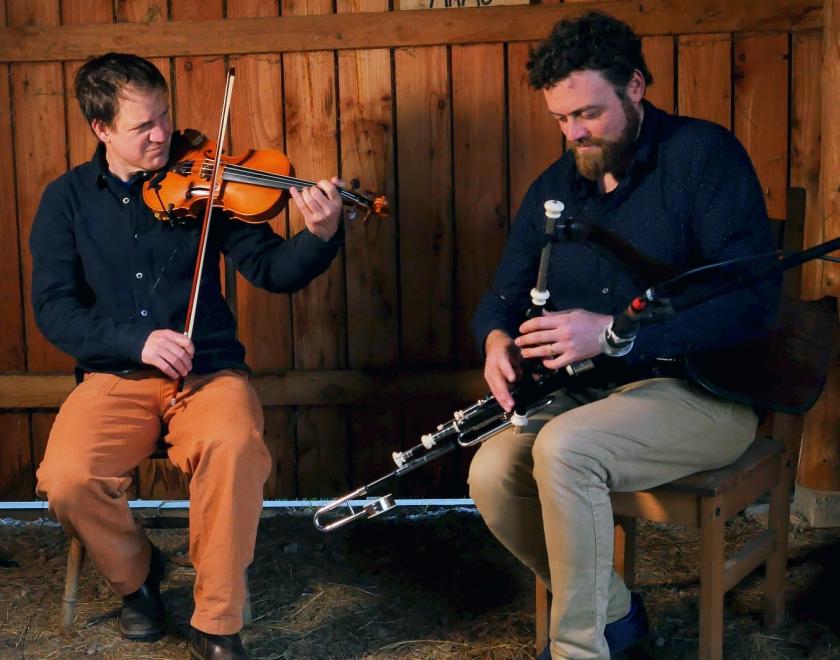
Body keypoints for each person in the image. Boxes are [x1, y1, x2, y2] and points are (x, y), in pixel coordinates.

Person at [468, 12, 779, 660]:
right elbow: (503, 292)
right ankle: (616, 614)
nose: (574, 133)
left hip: (704, 391)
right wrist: (496, 342)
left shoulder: (703, 155)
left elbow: (752, 302)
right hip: (592, 398)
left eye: (587, 114)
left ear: (635, 86)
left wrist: (614, 334)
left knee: (564, 450)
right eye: (560, 119)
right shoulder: (558, 184)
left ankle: (580, 650)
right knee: (493, 471)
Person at [31, 53, 345, 660]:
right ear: (101, 130)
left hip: (208, 374)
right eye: (142, 126)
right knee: (67, 478)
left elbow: (272, 270)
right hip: (116, 375)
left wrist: (320, 237)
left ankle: (216, 623)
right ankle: (138, 576)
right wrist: (135, 340)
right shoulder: (66, 200)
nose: (162, 135)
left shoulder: (207, 182)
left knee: (234, 447)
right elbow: (55, 310)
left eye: (165, 116)